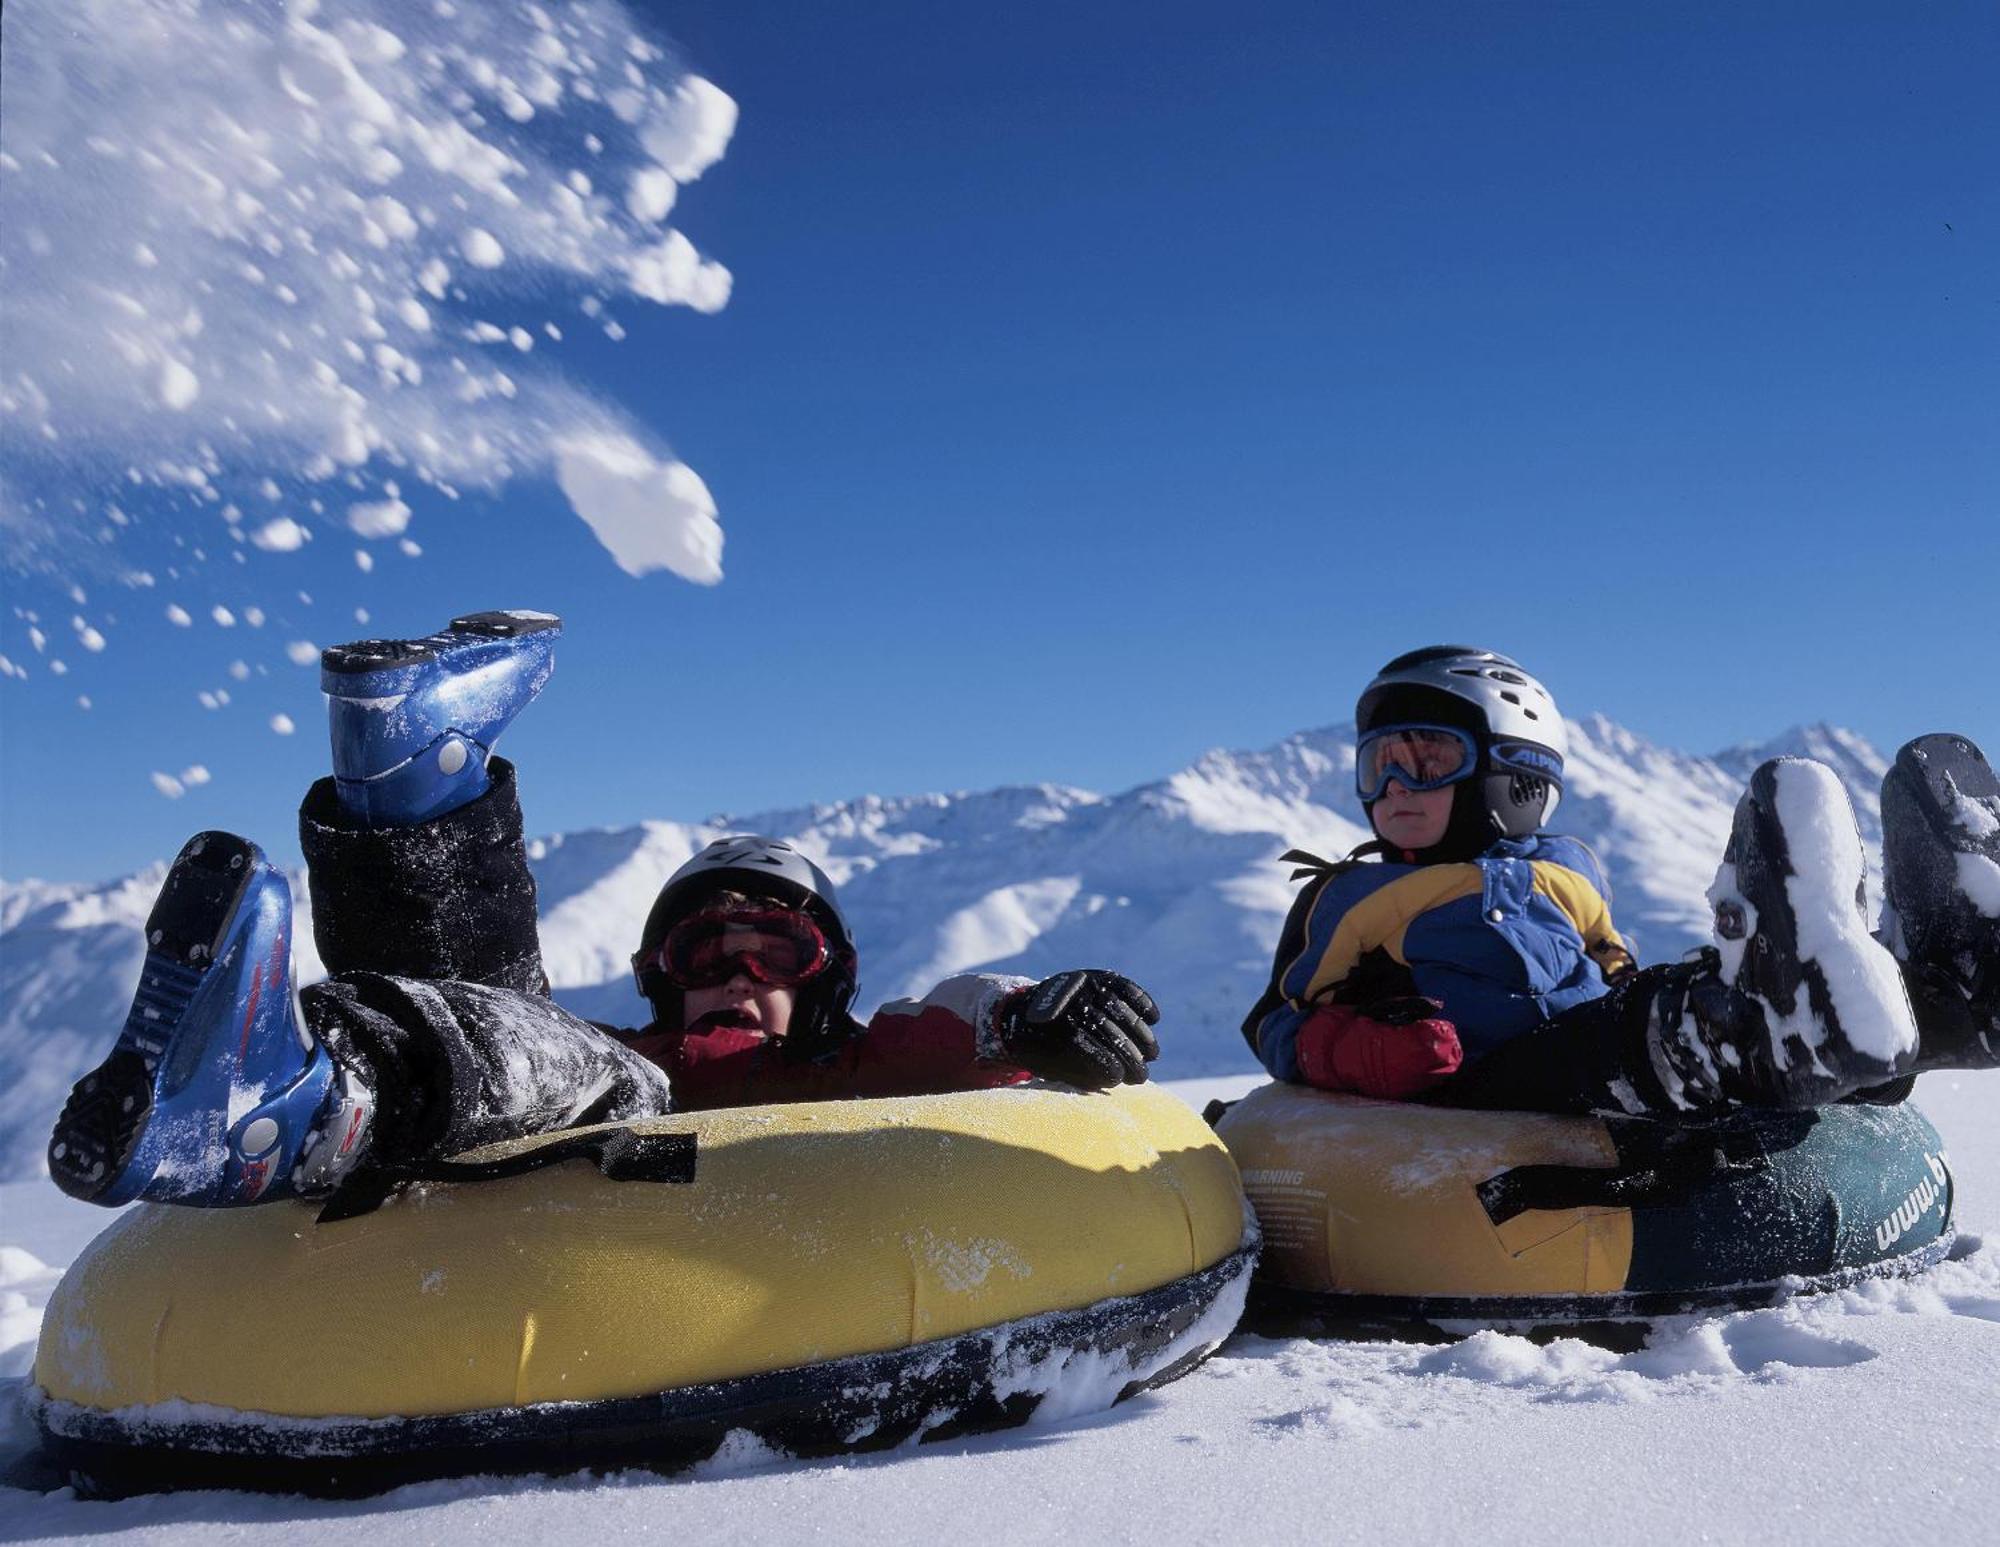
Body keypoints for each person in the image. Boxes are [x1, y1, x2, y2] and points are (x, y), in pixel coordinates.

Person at [50, 611, 1162, 1210]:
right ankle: (410, 782)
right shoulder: (624, 1045)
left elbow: (963, 1016)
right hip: (538, 1142)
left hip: (749, 1224)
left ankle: (301, 1098)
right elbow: (510, 1029)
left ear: (823, 975)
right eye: (703, 943)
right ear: (657, 967)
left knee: (599, 1079)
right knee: (529, 1034)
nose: (736, 967)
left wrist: (1034, 1009)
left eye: (775, 944)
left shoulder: (856, 1068)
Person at [1242, 644, 2000, 1119]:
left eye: (1429, 760)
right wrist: (1356, 1049)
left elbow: (1611, 961)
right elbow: (1277, 1018)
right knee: (1654, 1038)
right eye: (1380, 765)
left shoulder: (1566, 868)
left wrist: (1657, 988)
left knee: (1693, 997)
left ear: (1516, 775)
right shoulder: (1348, 896)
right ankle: (1788, 1028)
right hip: (1475, 1081)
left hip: (1585, 1044)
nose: (1396, 786)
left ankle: (1941, 997)